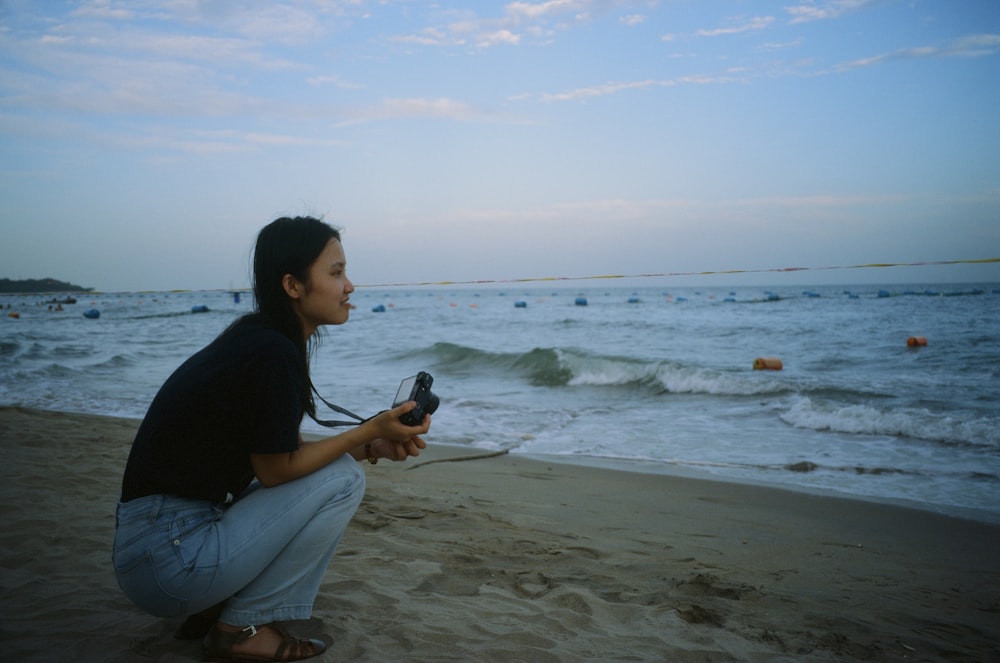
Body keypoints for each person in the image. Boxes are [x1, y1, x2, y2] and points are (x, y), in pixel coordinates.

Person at [113, 216, 430, 662]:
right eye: (336, 272)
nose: (350, 286)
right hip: (170, 561)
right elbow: (276, 470)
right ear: (293, 285)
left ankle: (223, 608)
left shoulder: (258, 340)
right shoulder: (272, 353)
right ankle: (242, 629)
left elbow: (273, 448)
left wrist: (372, 444)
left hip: (154, 551)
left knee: (339, 468)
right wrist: (368, 430)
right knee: (343, 481)